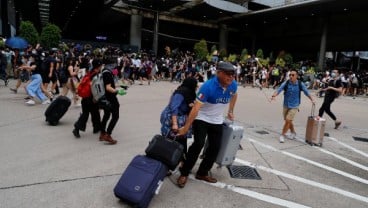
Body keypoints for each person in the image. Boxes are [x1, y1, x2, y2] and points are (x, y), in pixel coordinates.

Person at [176, 62, 238, 188]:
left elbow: (235, 95)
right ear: (219, 73)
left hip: (217, 120)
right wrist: (186, 128)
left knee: (215, 147)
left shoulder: (233, 85)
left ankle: (202, 173)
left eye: (233, 74)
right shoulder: (208, 87)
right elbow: (195, 109)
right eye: (228, 74)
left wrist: (230, 111)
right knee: (198, 144)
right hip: (202, 118)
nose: (231, 77)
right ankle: (184, 172)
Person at [160, 77, 198, 164]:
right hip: (172, 118)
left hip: (181, 119)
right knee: (171, 140)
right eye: (195, 85)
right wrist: (174, 123)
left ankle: (181, 161)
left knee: (181, 140)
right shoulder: (180, 93)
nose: (196, 87)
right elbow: (174, 108)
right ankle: (167, 163)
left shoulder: (189, 93)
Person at [271, 69, 315, 143]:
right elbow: (279, 89)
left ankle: (282, 135)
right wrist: (274, 95)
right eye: (290, 75)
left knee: (288, 120)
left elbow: (306, 92)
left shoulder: (300, 84)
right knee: (288, 121)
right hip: (286, 105)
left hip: (294, 105)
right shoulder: (287, 83)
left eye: (293, 75)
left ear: (296, 76)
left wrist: (312, 99)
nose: (291, 76)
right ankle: (293, 132)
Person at [72, 59, 102, 139]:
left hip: (85, 97)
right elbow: (95, 87)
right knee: (94, 113)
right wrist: (96, 97)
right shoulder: (96, 75)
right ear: (99, 66)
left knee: (88, 113)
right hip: (91, 97)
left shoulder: (89, 73)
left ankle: (78, 128)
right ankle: (96, 128)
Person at [99, 59, 126, 145]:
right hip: (110, 97)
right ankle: (108, 134)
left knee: (106, 115)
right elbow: (108, 87)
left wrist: (120, 85)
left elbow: (113, 78)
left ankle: (102, 133)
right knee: (115, 116)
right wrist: (118, 92)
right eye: (114, 64)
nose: (115, 66)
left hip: (105, 97)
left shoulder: (105, 71)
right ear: (111, 64)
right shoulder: (107, 73)